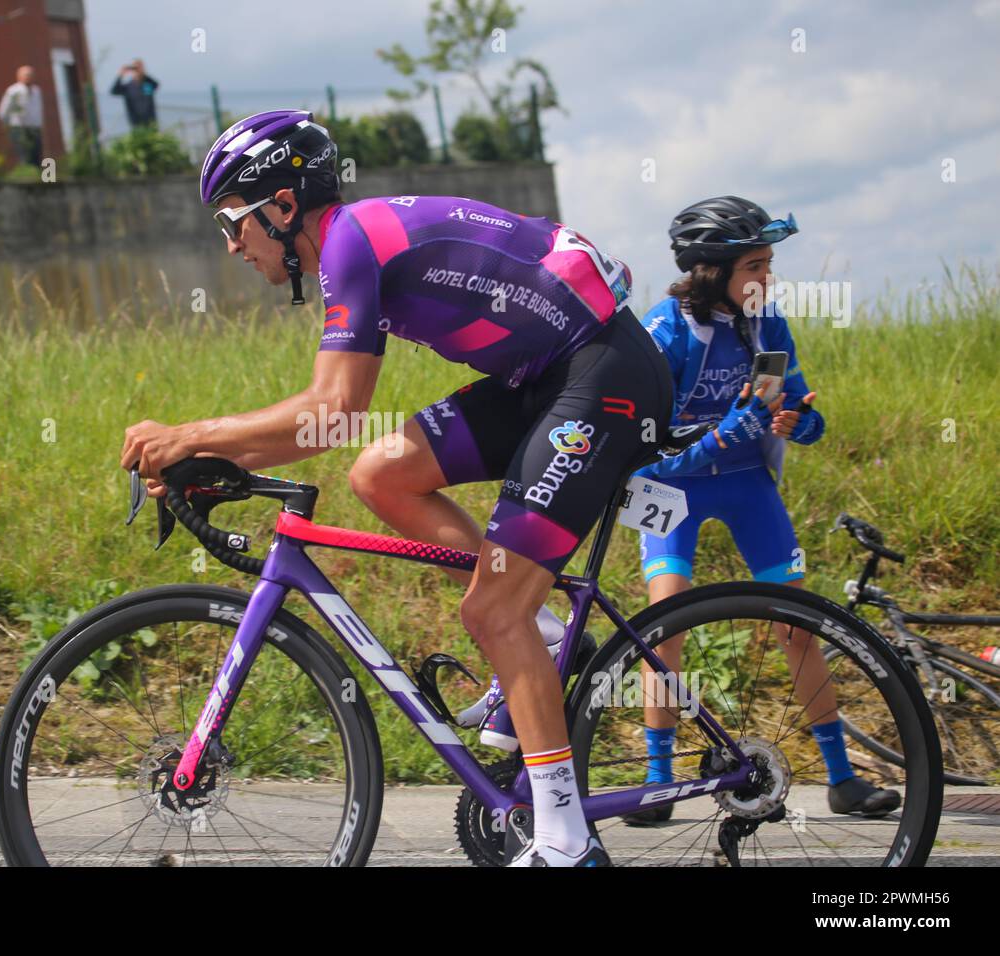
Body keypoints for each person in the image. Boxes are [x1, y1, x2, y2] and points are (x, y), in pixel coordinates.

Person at [120, 109, 675, 866]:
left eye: (234, 223)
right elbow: (337, 428)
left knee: (491, 607)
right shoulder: (349, 245)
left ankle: (565, 841)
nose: (232, 246)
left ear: (283, 207)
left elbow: (331, 411)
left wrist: (191, 435)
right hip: (546, 378)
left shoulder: (349, 242)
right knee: (381, 472)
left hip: (600, 375)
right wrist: (207, 448)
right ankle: (546, 635)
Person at [619, 196, 900, 825]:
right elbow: (643, 457)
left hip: (748, 483)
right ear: (712, 271)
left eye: (769, 264)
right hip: (672, 492)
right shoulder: (664, 331)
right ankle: (658, 778)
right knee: (664, 629)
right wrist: (731, 431)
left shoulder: (766, 324)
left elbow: (803, 416)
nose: (767, 279)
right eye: (756, 266)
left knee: (799, 627)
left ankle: (842, 778)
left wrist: (797, 423)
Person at [0, 65, 43, 167]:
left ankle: (38, 178)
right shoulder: (13, 91)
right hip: (19, 128)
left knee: (36, 156)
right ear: (19, 76)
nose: (29, 77)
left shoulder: (37, 90)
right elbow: (3, 110)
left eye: (31, 75)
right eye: (26, 75)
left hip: (35, 128)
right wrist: (9, 125)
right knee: (24, 156)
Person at [110, 59, 159, 129]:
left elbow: (156, 85)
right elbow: (113, 91)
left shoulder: (147, 85)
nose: (137, 71)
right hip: (135, 122)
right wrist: (120, 75)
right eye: (135, 68)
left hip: (150, 122)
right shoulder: (127, 87)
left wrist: (144, 75)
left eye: (139, 68)